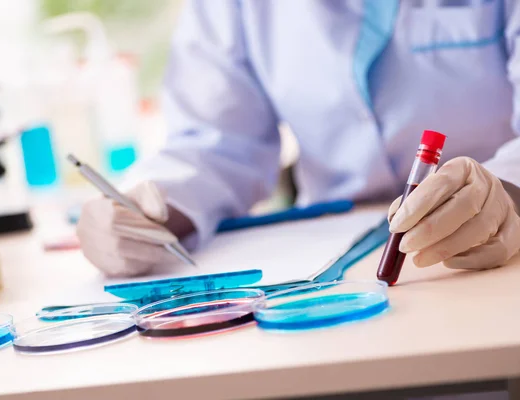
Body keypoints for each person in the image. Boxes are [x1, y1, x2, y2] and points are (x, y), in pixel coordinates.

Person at [77, 0, 520, 277]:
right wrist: (149, 214)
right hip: (330, 266)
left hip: (488, 255)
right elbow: (215, 140)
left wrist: (503, 194)